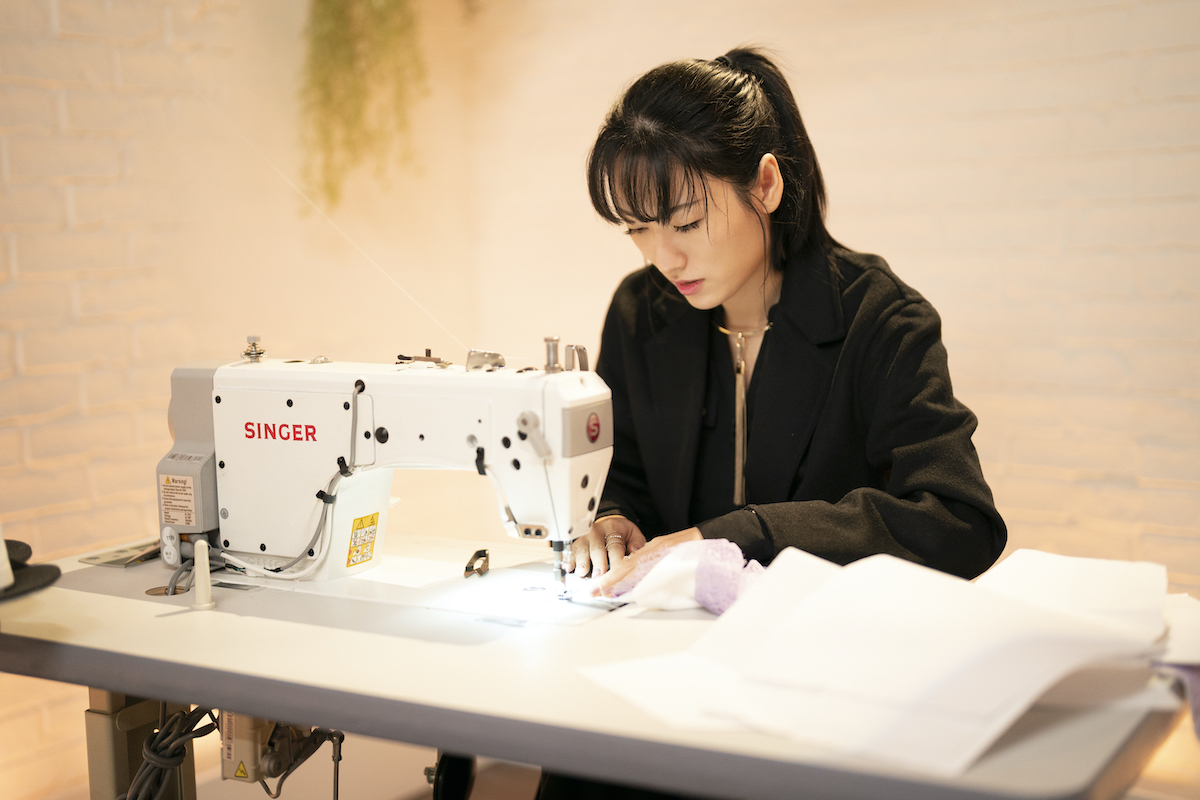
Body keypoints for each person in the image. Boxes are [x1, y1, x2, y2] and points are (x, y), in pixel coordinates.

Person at [540, 47, 1007, 799]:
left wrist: (735, 535)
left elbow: (957, 520)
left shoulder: (881, 321)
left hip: (820, 699)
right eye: (636, 229)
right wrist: (616, 518)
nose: (663, 255)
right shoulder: (641, 314)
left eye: (685, 220)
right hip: (658, 682)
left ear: (765, 182)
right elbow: (625, 472)